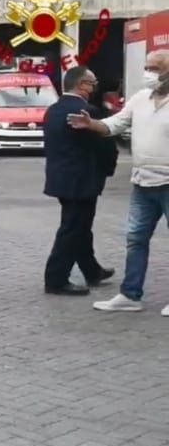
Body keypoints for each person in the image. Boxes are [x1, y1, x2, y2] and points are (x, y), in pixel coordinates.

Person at [68, 50, 169, 316]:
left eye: (155, 68)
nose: (149, 73)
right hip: (142, 183)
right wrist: (92, 124)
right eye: (147, 67)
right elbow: (116, 124)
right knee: (136, 239)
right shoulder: (140, 99)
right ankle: (130, 295)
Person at [41, 66, 117, 296]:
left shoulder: (53, 110)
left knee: (81, 227)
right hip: (82, 180)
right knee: (73, 229)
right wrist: (108, 169)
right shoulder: (86, 111)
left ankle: (91, 270)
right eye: (92, 84)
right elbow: (104, 145)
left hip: (62, 179)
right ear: (81, 84)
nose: (94, 88)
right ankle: (56, 279)